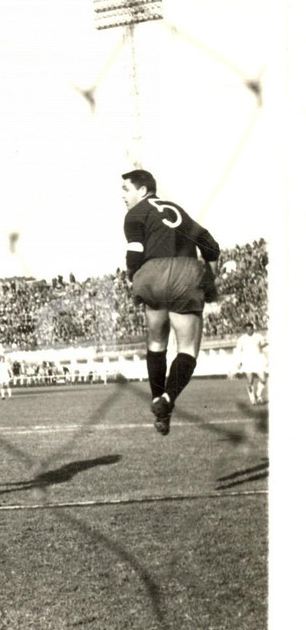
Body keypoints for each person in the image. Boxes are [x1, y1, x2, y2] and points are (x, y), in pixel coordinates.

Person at [121, 170, 220, 435]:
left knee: (156, 341)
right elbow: (210, 246)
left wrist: (133, 278)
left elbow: (135, 252)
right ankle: (167, 400)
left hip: (152, 273)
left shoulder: (135, 214)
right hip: (186, 273)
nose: (123, 196)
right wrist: (210, 281)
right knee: (187, 348)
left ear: (143, 191)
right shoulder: (177, 210)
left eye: (126, 189)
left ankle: (156, 399)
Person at [233, 322, 268, 405]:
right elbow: (238, 351)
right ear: (245, 330)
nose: (249, 331)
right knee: (250, 380)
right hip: (247, 361)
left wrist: (265, 348)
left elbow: (263, 346)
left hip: (258, 360)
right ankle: (253, 399)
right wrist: (238, 361)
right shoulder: (242, 339)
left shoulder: (258, 337)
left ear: (253, 329)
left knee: (263, 379)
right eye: (247, 329)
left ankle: (258, 394)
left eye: (250, 329)